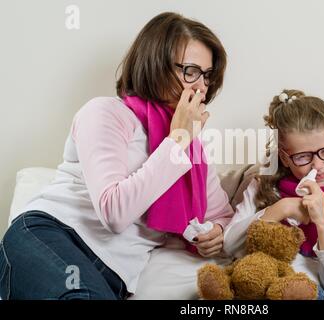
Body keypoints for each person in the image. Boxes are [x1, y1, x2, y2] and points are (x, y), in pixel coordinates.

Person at [0, 12, 233, 300]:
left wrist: (217, 232)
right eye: (190, 71)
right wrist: (178, 139)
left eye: (207, 76)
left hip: (112, 277)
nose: (200, 86)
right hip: (52, 237)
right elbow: (114, 212)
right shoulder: (106, 113)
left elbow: (220, 214)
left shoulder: (191, 150)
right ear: (155, 64)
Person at [222, 89, 324, 299]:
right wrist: (283, 208)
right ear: (284, 157)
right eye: (303, 157)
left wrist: (323, 221)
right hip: (257, 283)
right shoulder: (262, 185)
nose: (318, 166)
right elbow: (229, 245)